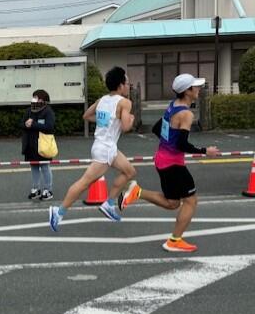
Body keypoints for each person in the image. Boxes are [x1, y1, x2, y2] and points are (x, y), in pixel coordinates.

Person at [119, 74, 220, 252]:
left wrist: (168, 144)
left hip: (162, 159)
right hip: (173, 164)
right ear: (187, 91)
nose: (198, 89)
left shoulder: (173, 105)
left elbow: (157, 128)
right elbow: (182, 144)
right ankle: (174, 240)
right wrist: (206, 151)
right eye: (195, 86)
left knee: (172, 203)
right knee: (190, 201)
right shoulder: (186, 114)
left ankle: (137, 192)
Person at [49, 66, 135, 232]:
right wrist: (130, 119)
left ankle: (109, 204)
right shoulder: (125, 103)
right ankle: (58, 212)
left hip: (105, 146)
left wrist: (107, 122)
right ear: (120, 85)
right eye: (127, 83)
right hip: (105, 149)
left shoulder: (101, 100)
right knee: (84, 183)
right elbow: (125, 127)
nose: (128, 86)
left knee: (129, 171)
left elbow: (86, 116)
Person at [21, 89, 55, 200]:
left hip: (43, 144)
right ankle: (36, 189)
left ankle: (48, 190)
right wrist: (26, 124)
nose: (35, 100)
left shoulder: (48, 111)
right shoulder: (29, 111)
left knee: (45, 166)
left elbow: (49, 127)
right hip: (30, 144)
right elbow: (22, 124)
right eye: (34, 97)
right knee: (34, 166)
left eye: (37, 98)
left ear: (43, 100)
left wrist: (33, 124)